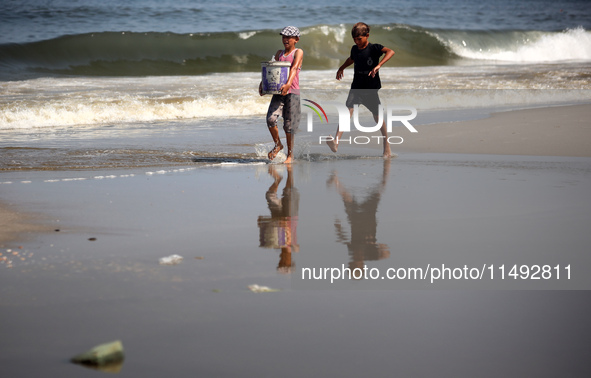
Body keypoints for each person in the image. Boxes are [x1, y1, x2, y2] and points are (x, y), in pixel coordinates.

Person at [327, 22, 395, 158]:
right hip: (356, 87)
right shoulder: (354, 49)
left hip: (370, 89)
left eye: (359, 39)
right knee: (347, 111)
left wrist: (379, 65)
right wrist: (341, 67)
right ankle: (336, 142)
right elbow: (351, 59)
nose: (357, 42)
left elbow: (390, 52)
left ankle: (386, 144)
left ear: (367, 35)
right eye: (354, 39)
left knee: (378, 117)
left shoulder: (374, 48)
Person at [259, 26, 304, 164]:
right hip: (278, 92)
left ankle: (290, 155)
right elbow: (271, 69)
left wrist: (289, 83)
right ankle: (278, 144)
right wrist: (263, 84)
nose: (285, 39)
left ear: (296, 39)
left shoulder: (298, 52)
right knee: (270, 119)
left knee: (289, 126)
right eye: (283, 37)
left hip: (292, 92)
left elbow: (294, 68)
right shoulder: (279, 53)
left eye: (289, 37)